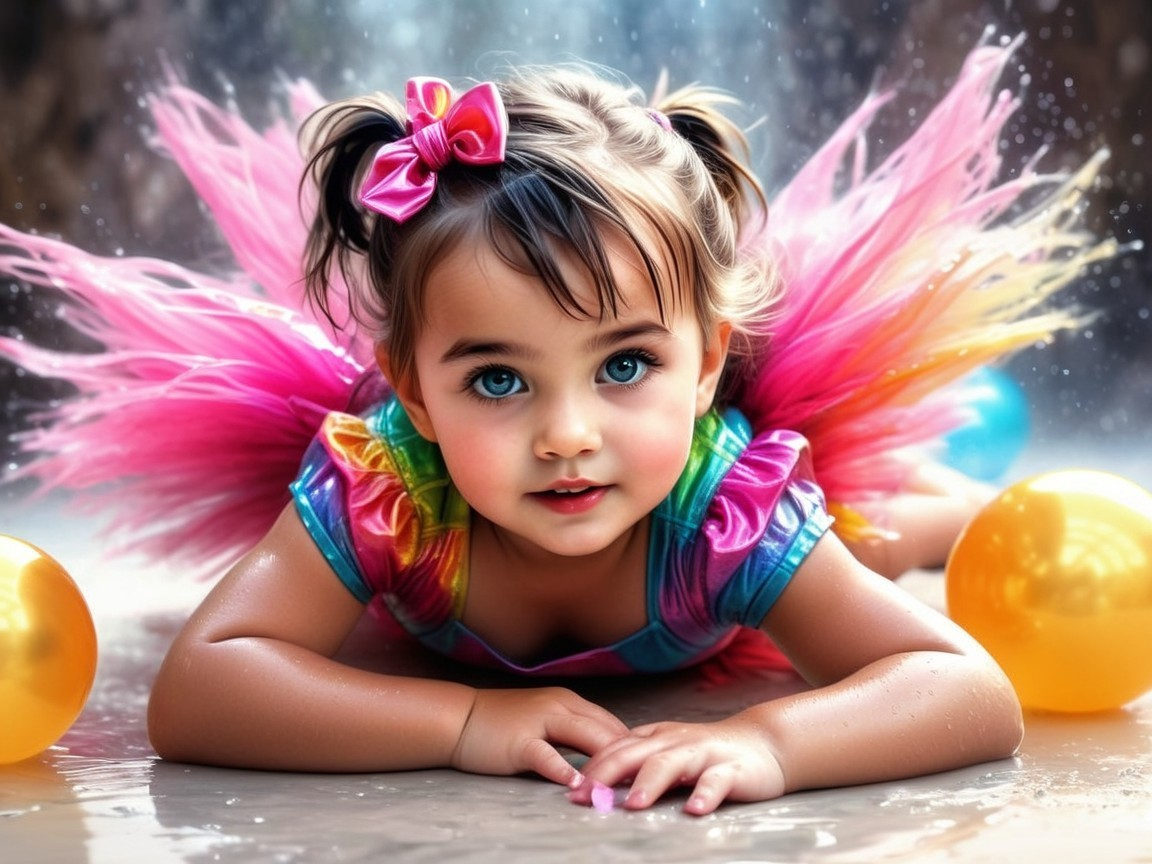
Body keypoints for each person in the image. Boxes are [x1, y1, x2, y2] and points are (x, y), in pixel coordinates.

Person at [1, 42, 1111, 815]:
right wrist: (460, 725)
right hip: (489, 520)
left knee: (871, 534)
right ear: (413, 391)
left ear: (707, 363)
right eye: (497, 381)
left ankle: (946, 509)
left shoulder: (725, 511)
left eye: (625, 365)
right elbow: (198, 693)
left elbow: (968, 692)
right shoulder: (390, 489)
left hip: (701, 531)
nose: (567, 435)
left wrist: (770, 740)